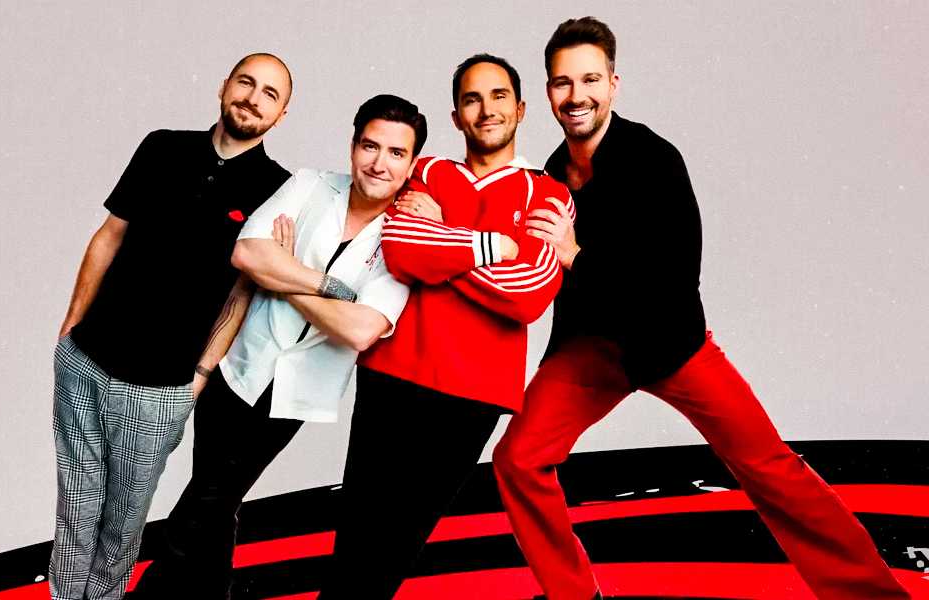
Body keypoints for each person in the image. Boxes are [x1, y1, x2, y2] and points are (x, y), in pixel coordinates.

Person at [491, 17, 913, 600]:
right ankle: (574, 596)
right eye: (563, 83)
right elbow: (538, 270)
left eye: (589, 79)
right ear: (547, 92)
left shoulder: (655, 160)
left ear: (613, 84)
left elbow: (669, 286)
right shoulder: (550, 174)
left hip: (672, 344)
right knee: (517, 457)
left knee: (770, 468)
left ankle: (875, 598)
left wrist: (577, 254)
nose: (576, 95)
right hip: (592, 350)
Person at [130, 94, 420, 600]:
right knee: (219, 505)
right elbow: (247, 253)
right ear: (353, 146)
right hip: (237, 367)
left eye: (396, 153)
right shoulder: (309, 184)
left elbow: (361, 330)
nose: (380, 163)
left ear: (412, 163)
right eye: (370, 146)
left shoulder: (410, 232)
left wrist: (284, 277)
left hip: (294, 392)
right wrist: (328, 287)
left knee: (208, 500)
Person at [318, 55, 574, 600]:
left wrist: (444, 245)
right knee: (355, 542)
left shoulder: (549, 193)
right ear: (456, 116)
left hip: (473, 394)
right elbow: (402, 249)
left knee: (393, 551)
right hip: (394, 373)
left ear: (521, 109)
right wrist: (495, 248)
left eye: (498, 96)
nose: (487, 110)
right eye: (471, 99)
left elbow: (530, 292)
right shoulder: (428, 170)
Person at [50, 53, 293, 600]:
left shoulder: (277, 189)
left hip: (162, 387)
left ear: (281, 115)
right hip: (86, 360)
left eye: (270, 94)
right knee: (74, 512)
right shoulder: (162, 147)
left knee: (121, 525)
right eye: (246, 83)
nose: (253, 98)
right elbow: (110, 234)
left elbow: (243, 291)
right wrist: (71, 326)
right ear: (223, 86)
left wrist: (200, 376)